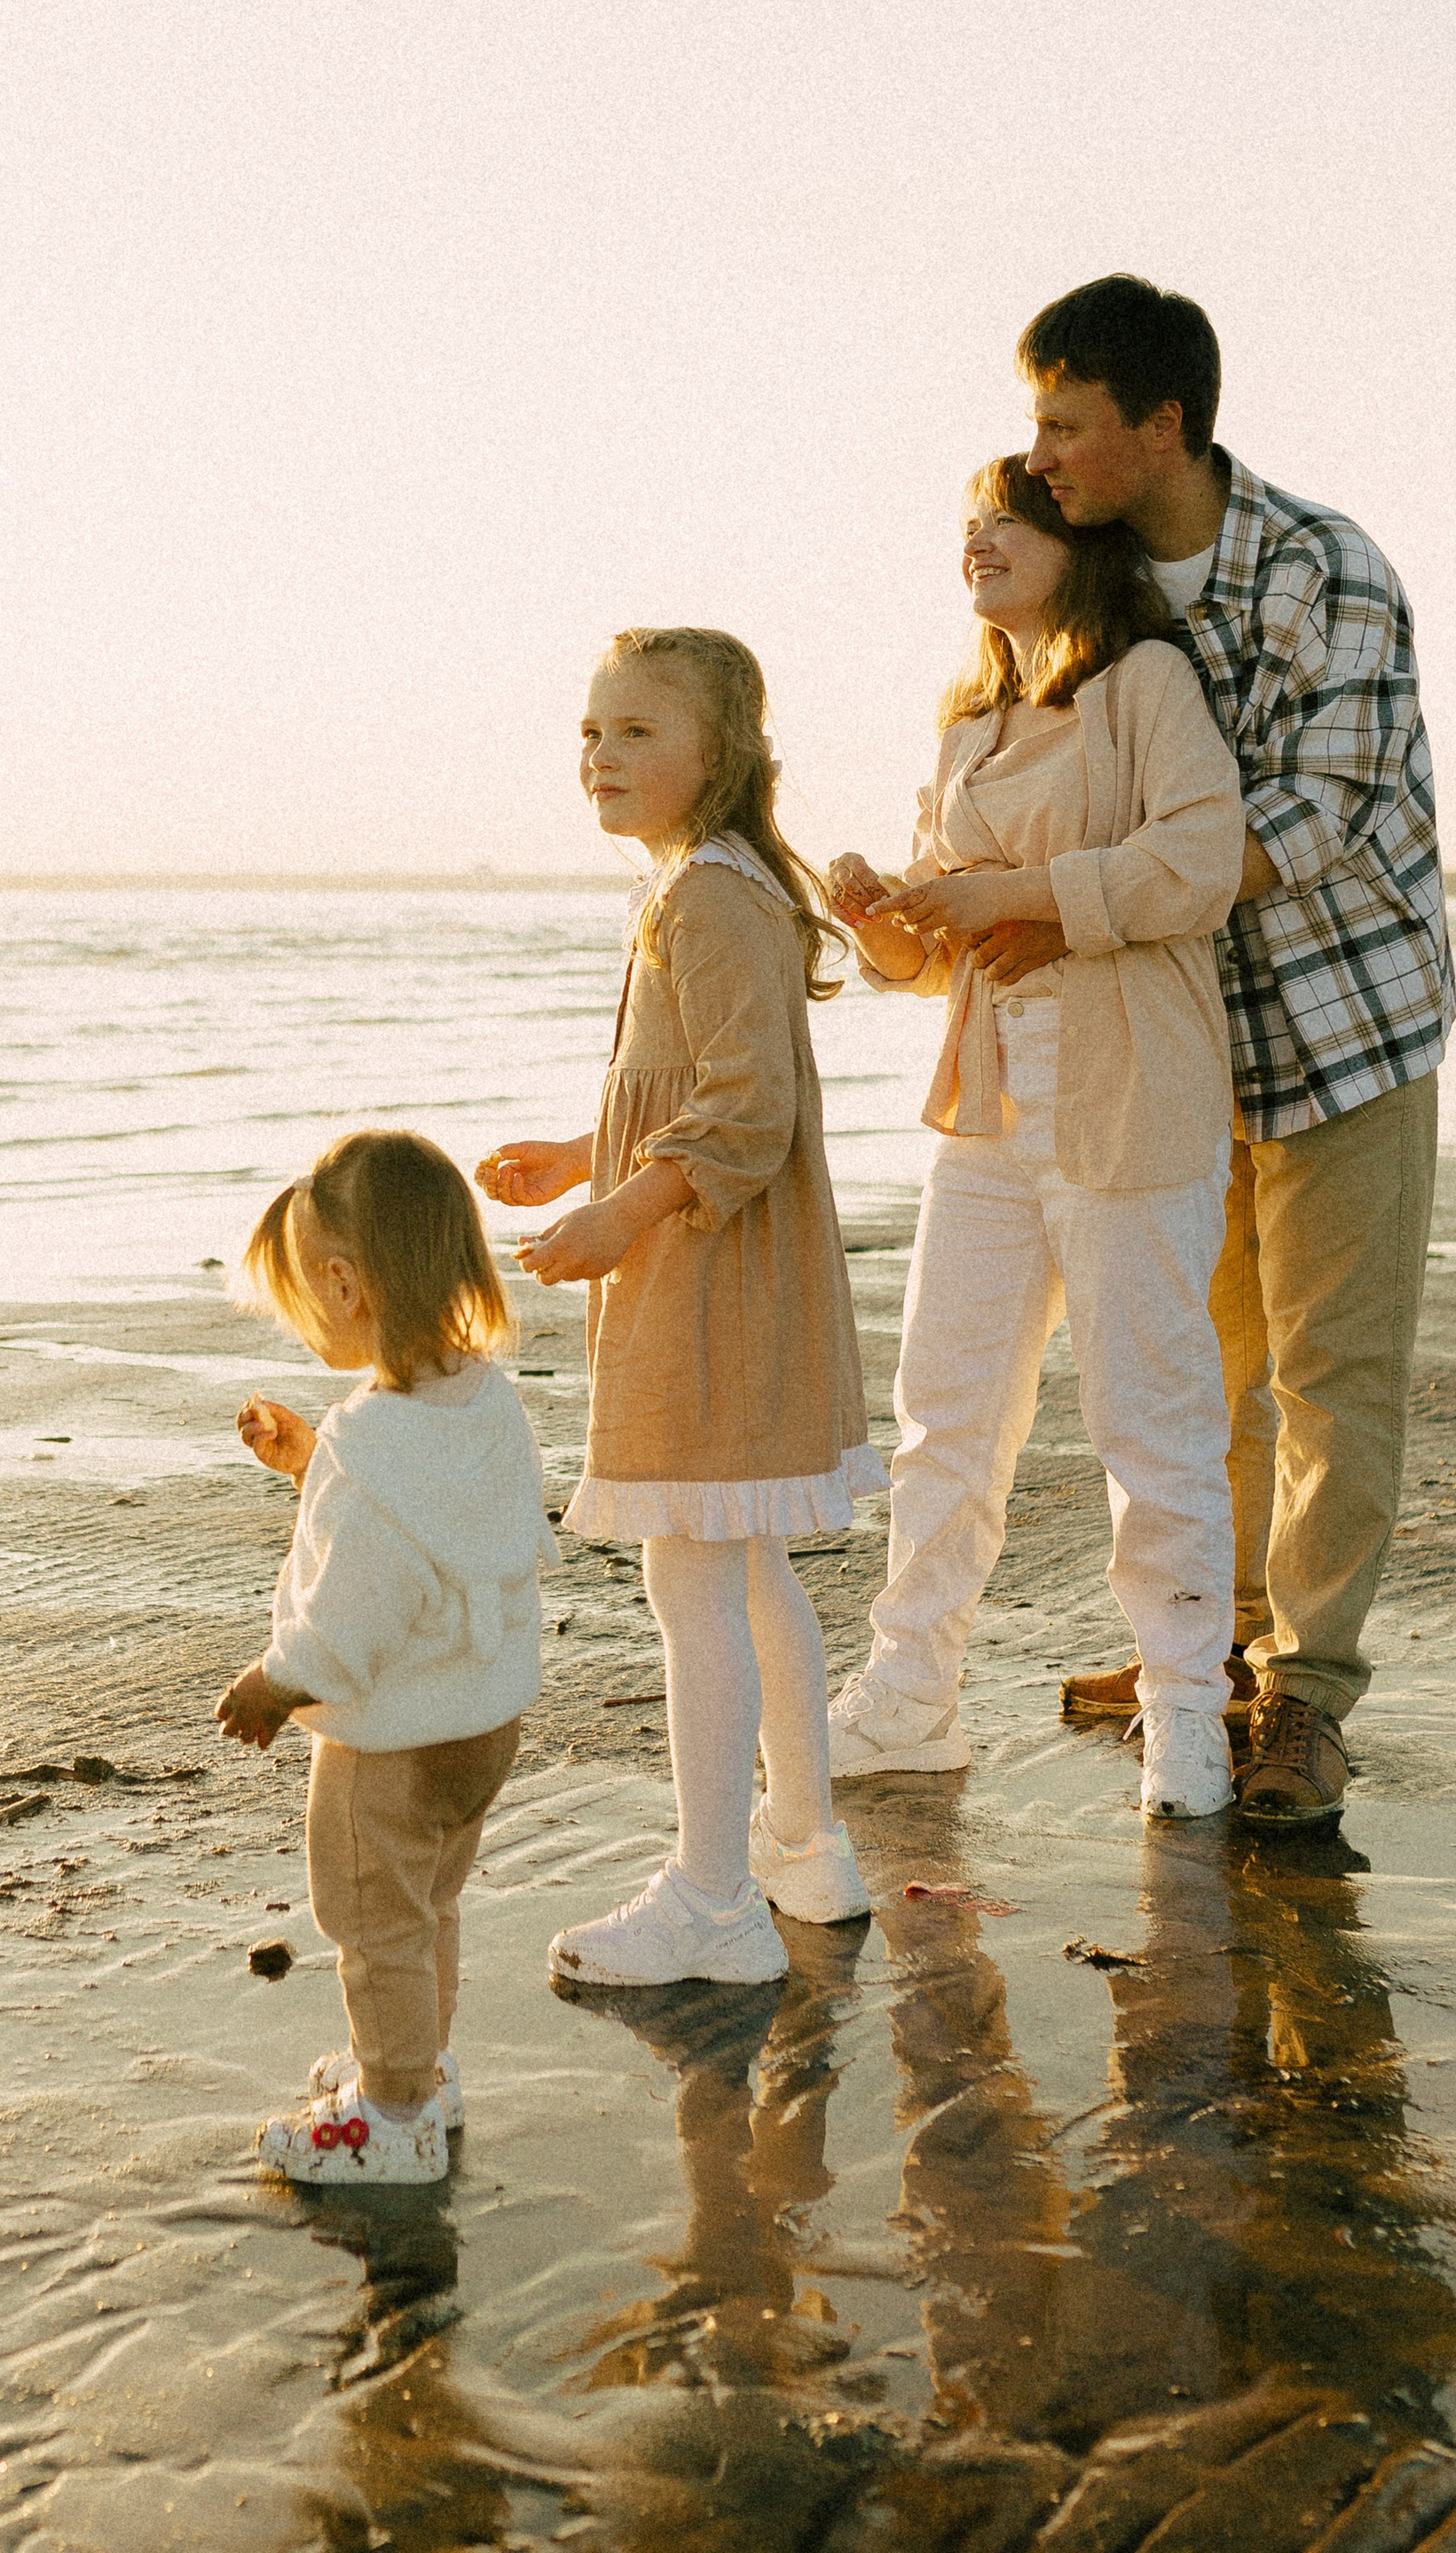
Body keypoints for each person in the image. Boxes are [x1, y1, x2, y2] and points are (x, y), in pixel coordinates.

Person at [1008, 275, 1453, 1824]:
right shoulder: (1094, 583)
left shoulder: (1327, 568)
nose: (1039, 455)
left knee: (1335, 1377)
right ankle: (1213, 1650)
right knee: (1206, 1371)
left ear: (1163, 424)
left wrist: (1067, 904)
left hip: (1342, 1028)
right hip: (1179, 1041)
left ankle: (1307, 1695)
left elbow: (1308, 822)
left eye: (1066, 424)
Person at [822, 461, 1247, 1818]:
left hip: (1134, 1096)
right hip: (991, 1110)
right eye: (968, 523)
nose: (978, 540)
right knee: (944, 1414)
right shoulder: (968, 725)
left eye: (1006, 518)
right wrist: (882, 922)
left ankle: (1187, 1712)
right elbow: (938, 945)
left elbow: (1204, 859)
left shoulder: (1146, 687)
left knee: (1150, 1421)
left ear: (1079, 543)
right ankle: (909, 1697)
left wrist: (1022, 893)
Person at [479, 625, 880, 1990]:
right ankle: (804, 1846)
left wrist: (619, 1215)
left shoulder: (706, 896)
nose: (601, 755)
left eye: (638, 731)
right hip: (730, 1273)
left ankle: (711, 1898)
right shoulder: (714, 885)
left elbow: (746, 1114)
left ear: (718, 756)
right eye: (592, 731)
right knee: (745, 1562)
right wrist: (581, 1157)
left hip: (709, 1283)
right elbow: (703, 1086)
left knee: (690, 1572)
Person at [217, 1126, 555, 2187]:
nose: (298, 1320)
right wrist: (313, 1465)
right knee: (427, 1906)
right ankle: (418, 2068)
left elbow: (350, 1620)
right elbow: (439, 1524)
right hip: (479, 1724)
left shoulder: (371, 1447)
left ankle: (394, 2118)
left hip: (392, 1747)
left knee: (371, 1922)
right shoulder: (480, 1396)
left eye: (301, 1298)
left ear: (345, 1284)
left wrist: (275, 1683)